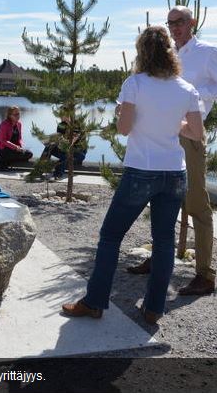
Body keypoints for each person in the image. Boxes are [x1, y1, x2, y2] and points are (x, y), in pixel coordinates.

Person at [62, 26, 205, 324]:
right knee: (164, 241)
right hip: (174, 173)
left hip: (142, 170)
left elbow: (124, 129)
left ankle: (94, 302)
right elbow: (196, 133)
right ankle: (154, 309)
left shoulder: (134, 84)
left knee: (111, 236)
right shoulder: (187, 89)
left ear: (142, 53)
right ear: (170, 53)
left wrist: (121, 114)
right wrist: (173, 124)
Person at [127, 6, 217, 296]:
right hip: (162, 136)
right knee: (160, 199)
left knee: (197, 205)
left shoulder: (207, 53)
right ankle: (159, 259)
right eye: (170, 23)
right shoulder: (167, 52)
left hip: (189, 136)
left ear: (192, 22)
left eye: (180, 22)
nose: (175, 27)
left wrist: (196, 93)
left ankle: (205, 275)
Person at [0, 106, 34, 171]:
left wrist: (20, 147)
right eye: (15, 114)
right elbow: (3, 140)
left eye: (18, 114)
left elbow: (19, 138)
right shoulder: (4, 124)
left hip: (14, 149)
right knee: (14, 155)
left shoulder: (19, 124)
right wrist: (16, 147)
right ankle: (0, 164)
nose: (18, 116)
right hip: (2, 148)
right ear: (10, 115)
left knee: (29, 154)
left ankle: (4, 161)